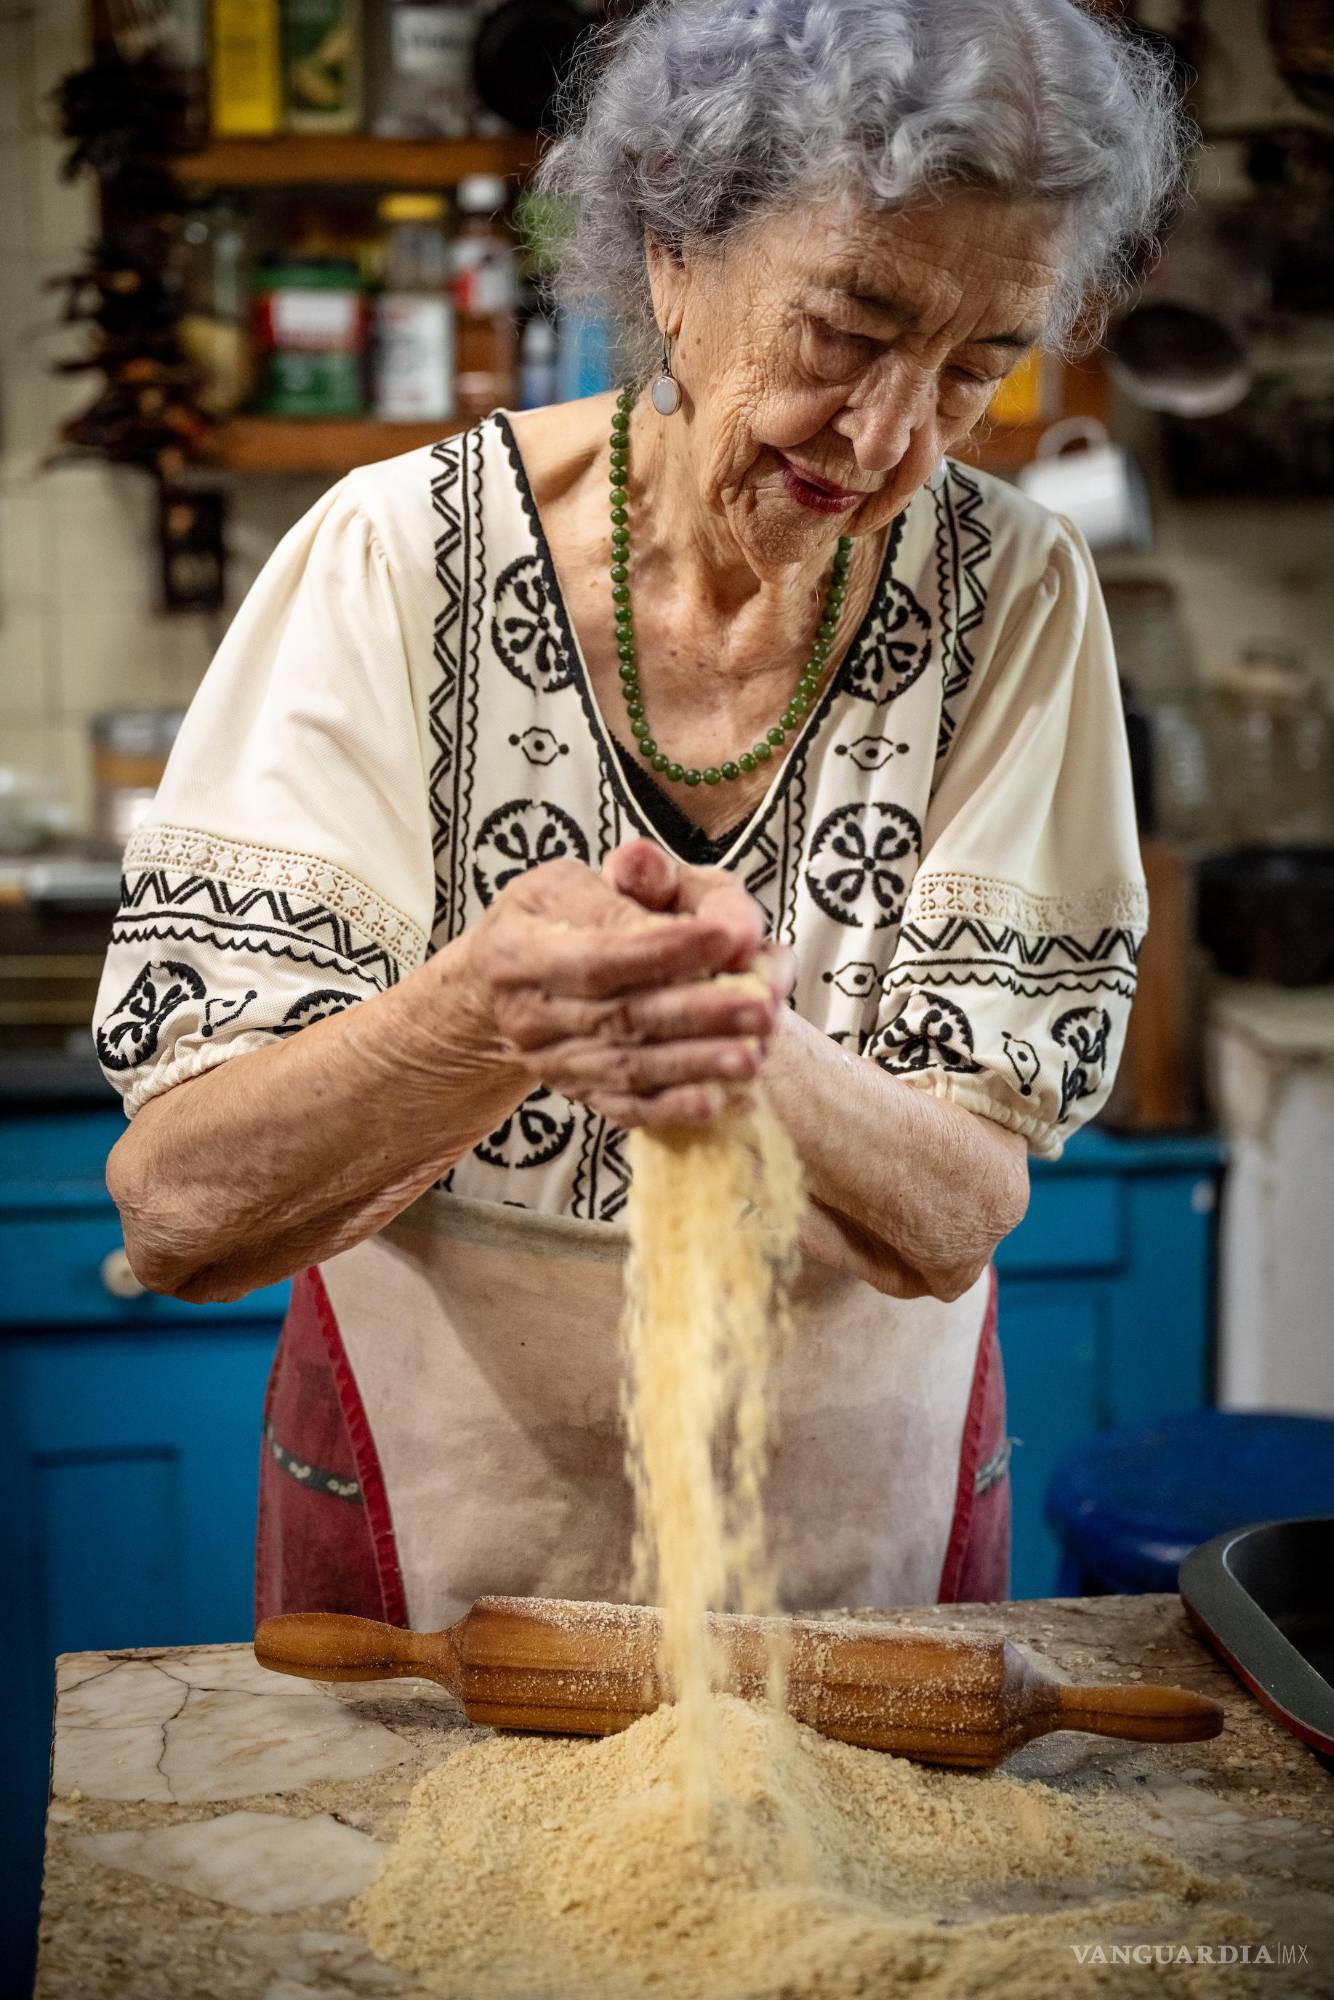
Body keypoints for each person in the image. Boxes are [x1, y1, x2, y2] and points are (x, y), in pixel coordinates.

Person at [94, 0, 1186, 1625]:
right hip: (431, 1503)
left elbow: (956, 1218)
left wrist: (752, 1043)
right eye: (845, 330)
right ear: (672, 252)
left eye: (974, 369)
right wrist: (482, 1011)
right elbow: (180, 1213)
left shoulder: (1014, 593)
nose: (890, 440)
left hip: (853, 1523)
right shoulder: (395, 558)